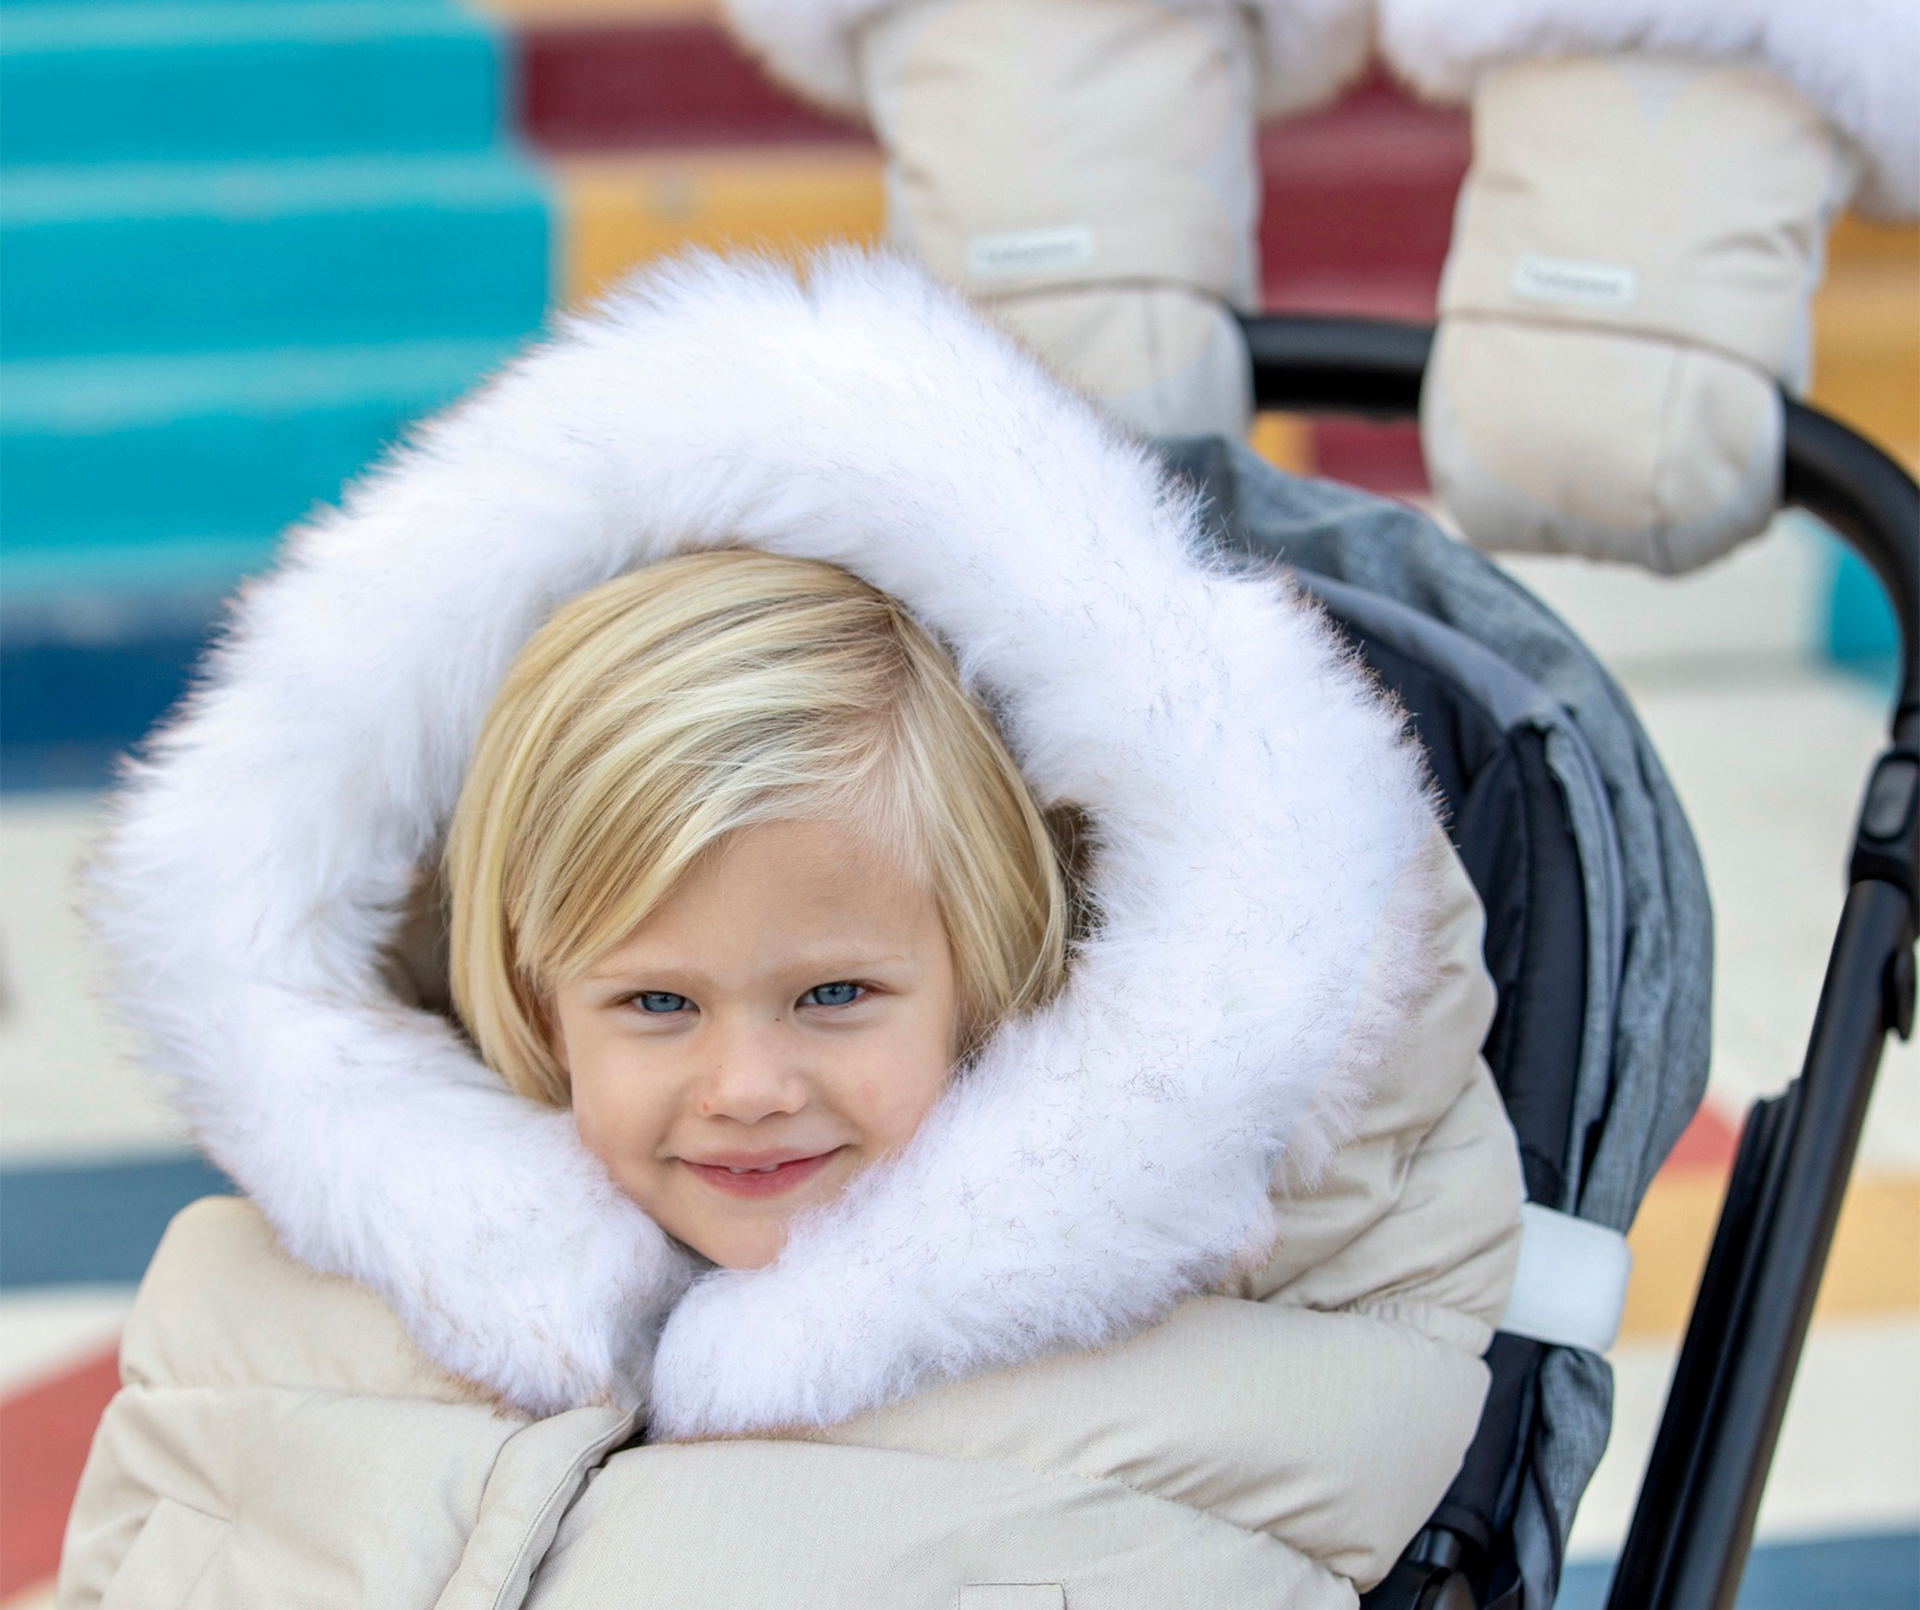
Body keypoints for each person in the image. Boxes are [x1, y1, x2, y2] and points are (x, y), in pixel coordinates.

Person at [61, 251, 1523, 1608]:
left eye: (831, 993)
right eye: (655, 1004)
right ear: (528, 992)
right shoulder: (260, 1309)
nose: (746, 1084)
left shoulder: (1206, 1389)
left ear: (995, 975)